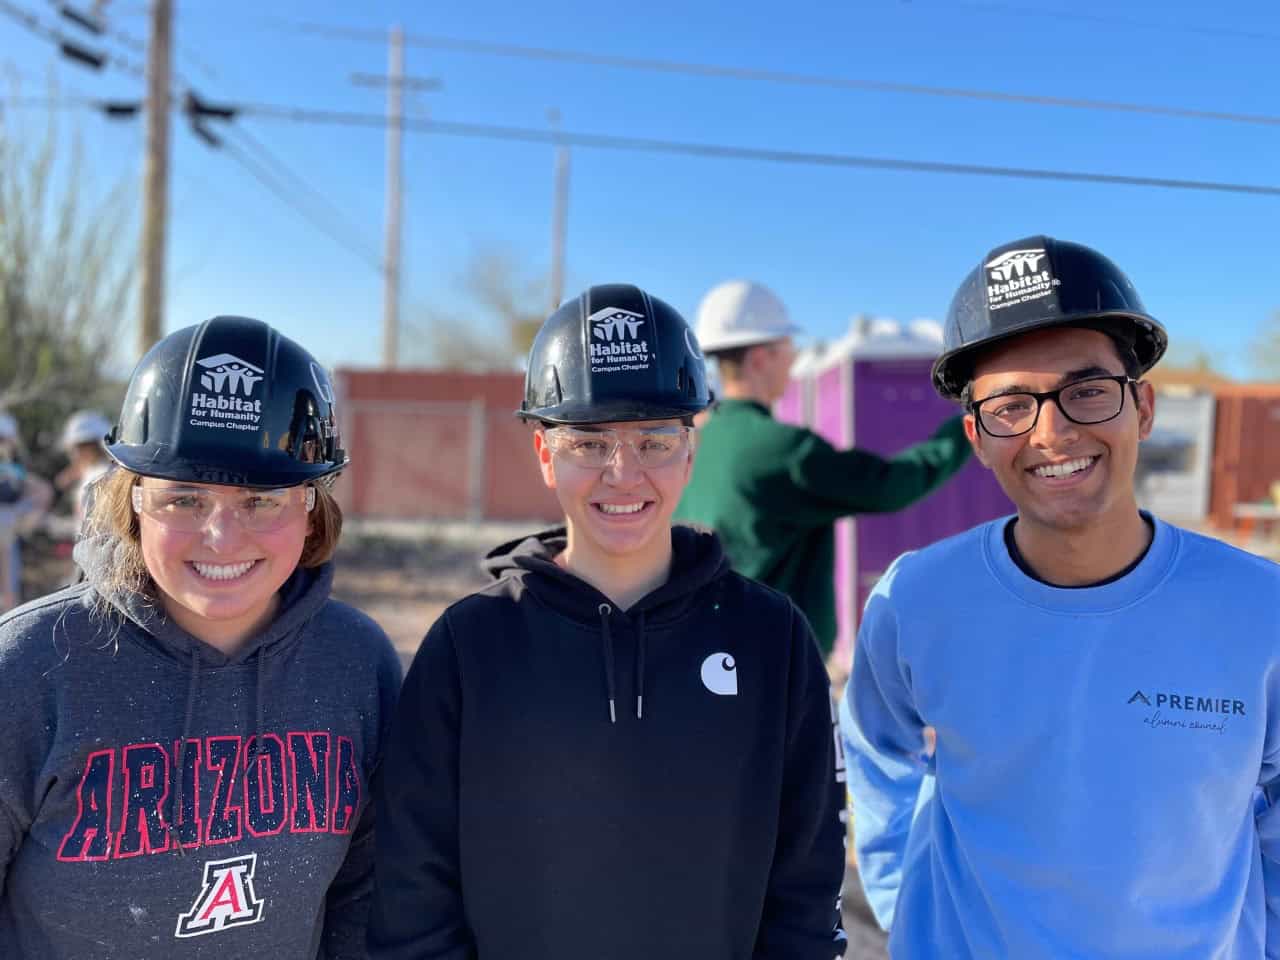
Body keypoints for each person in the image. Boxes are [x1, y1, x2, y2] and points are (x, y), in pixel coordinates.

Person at [368, 284, 847, 960]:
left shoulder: (771, 638)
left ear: (690, 448)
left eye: (653, 441)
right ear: (544, 454)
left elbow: (807, 872)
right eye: (588, 443)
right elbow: (414, 886)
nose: (623, 475)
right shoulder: (472, 644)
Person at [840, 235, 1280, 958]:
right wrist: (898, 903)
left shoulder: (1259, 609)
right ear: (976, 436)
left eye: (1086, 391)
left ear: (1142, 407)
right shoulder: (916, 600)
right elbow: (876, 753)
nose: (1053, 432)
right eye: (1012, 405)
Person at [0, 316, 402, 958]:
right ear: (132, 499)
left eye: (261, 500)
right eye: (183, 498)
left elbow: (365, 892)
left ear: (310, 504)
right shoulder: (28, 668)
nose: (221, 537)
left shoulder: (357, 664)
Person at [674, 279, 972, 662]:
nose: (794, 360)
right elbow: (892, 485)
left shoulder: (696, 442)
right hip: (776, 663)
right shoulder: (780, 449)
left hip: (712, 651)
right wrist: (968, 423)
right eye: (787, 349)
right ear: (760, 358)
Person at [0, 411, 52, 613]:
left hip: (8, 530)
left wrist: (21, 519)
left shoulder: (14, 470)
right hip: (7, 528)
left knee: (9, 589)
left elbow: (42, 492)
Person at [55, 408, 113, 529]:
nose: (75, 453)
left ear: (96, 445)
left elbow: (96, 524)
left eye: (81, 446)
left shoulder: (103, 475)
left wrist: (56, 526)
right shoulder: (91, 471)